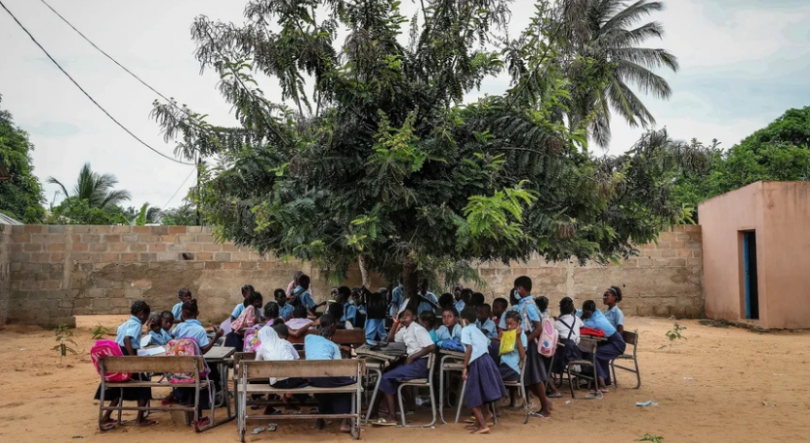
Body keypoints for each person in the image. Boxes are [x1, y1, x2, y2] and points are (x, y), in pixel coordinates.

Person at [95, 301, 156, 427]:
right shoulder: (137, 324)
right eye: (145, 316)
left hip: (117, 360)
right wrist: (132, 359)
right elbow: (127, 338)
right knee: (144, 385)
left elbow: (120, 338)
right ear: (141, 314)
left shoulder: (125, 324)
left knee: (119, 388)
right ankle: (140, 419)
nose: (145, 320)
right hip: (126, 359)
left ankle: (106, 417)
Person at [370, 307, 436, 424]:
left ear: (414, 317)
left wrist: (412, 357)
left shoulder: (417, 329)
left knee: (386, 378)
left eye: (407, 315)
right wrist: (395, 324)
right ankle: (374, 411)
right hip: (414, 363)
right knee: (384, 374)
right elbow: (390, 339)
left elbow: (431, 347)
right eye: (402, 316)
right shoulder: (405, 329)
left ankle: (392, 416)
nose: (404, 318)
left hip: (420, 365)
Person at [170, 299, 224, 426]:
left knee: (194, 379)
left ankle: (187, 408)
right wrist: (216, 337)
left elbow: (173, 340)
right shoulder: (200, 330)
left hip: (180, 370)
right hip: (196, 371)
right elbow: (204, 350)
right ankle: (198, 417)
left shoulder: (178, 327)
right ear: (197, 313)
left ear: (183, 315)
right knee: (209, 376)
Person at [460, 306, 507, 434]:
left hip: (477, 362)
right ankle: (481, 419)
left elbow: (469, 348)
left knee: (472, 395)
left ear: (464, 320)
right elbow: (487, 343)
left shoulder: (465, 330)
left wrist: (465, 367)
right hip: (487, 360)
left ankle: (483, 425)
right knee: (480, 391)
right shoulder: (477, 330)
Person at [304, 314, 355, 432]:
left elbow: (319, 347)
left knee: (324, 386)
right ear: (332, 327)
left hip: (312, 379)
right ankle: (344, 422)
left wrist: (314, 323)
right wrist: (339, 348)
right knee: (350, 384)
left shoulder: (308, 338)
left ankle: (321, 417)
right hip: (326, 378)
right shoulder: (333, 347)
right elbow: (337, 367)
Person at [512, 276, 553, 418]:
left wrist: (525, 341)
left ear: (521, 289)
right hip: (526, 341)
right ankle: (546, 403)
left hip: (530, 343)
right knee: (528, 377)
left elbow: (538, 328)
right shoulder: (525, 304)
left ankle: (545, 408)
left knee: (535, 377)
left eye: (516, 288)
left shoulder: (528, 305)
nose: (515, 291)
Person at [255, 322, 306, 413]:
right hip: (292, 382)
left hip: (275, 383)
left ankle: (280, 402)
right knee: (297, 379)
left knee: (273, 376)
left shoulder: (262, 347)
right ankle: (289, 399)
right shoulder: (286, 343)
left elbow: (257, 364)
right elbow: (298, 360)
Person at [580, 300, 626, 391]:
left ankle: (601, 384)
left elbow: (580, 325)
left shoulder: (596, 321)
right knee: (596, 353)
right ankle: (605, 380)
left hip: (616, 344)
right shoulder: (597, 312)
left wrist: (582, 317)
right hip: (610, 342)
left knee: (593, 355)